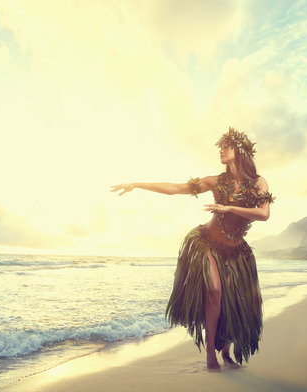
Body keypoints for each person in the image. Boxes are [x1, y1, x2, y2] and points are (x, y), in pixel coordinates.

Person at [111, 127, 274, 371]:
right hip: (207, 242)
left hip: (237, 252)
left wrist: (230, 209)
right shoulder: (216, 182)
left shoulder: (259, 182)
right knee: (216, 290)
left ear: (240, 150)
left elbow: (264, 214)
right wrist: (136, 184)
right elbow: (176, 188)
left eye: (225, 146)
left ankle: (226, 354)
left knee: (234, 300)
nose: (220, 149)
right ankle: (210, 354)